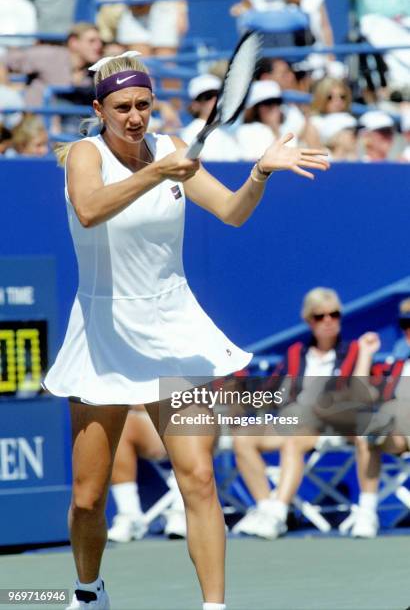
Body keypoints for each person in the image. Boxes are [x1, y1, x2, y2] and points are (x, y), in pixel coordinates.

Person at [42, 50, 329, 609]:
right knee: (86, 498)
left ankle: (214, 607)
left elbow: (232, 211)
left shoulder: (173, 149)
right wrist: (155, 173)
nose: (134, 117)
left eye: (144, 105)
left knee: (198, 479)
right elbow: (89, 209)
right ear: (100, 110)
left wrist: (260, 172)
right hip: (102, 334)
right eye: (122, 107)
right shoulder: (85, 154)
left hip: (174, 331)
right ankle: (88, 589)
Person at [232, 287, 364, 539]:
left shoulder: (355, 351)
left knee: (295, 436)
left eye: (333, 315)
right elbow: (270, 389)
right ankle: (266, 509)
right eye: (319, 316)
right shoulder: (295, 353)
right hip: (293, 419)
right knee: (243, 437)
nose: (327, 321)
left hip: (330, 422)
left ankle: (279, 511)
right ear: (308, 321)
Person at [348, 299, 410, 538]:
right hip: (397, 436)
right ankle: (367, 511)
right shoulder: (394, 366)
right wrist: (365, 354)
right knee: (367, 432)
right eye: (405, 324)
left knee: (392, 410)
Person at [108, 406, 187, 542]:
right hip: (155, 421)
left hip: (208, 423)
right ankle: (130, 516)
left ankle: (184, 512)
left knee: (189, 414)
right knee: (120, 424)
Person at [0, 22, 103, 106]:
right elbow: (4, 61)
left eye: (100, 41)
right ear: (73, 42)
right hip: (37, 124)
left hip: (74, 126)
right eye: (92, 41)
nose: (98, 46)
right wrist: (8, 92)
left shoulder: (96, 71)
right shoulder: (49, 55)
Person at [236, 80, 306, 159]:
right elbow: (253, 162)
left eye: (276, 103)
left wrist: (275, 129)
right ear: (255, 108)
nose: (273, 108)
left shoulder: (287, 132)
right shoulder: (245, 131)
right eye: (267, 103)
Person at [180, 74, 240, 161]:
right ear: (195, 104)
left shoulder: (229, 130)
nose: (215, 100)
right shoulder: (190, 133)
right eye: (208, 97)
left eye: (219, 95)